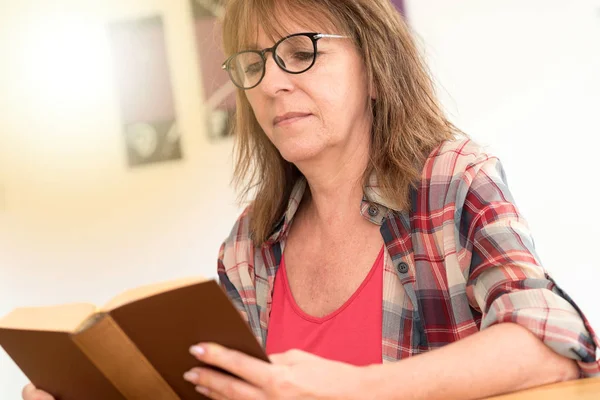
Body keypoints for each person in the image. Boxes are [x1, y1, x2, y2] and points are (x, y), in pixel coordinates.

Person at [23, 0, 600, 399]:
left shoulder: (452, 181)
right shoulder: (248, 249)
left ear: (374, 67)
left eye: (301, 51)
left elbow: (556, 341)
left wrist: (356, 388)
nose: (272, 83)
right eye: (253, 64)